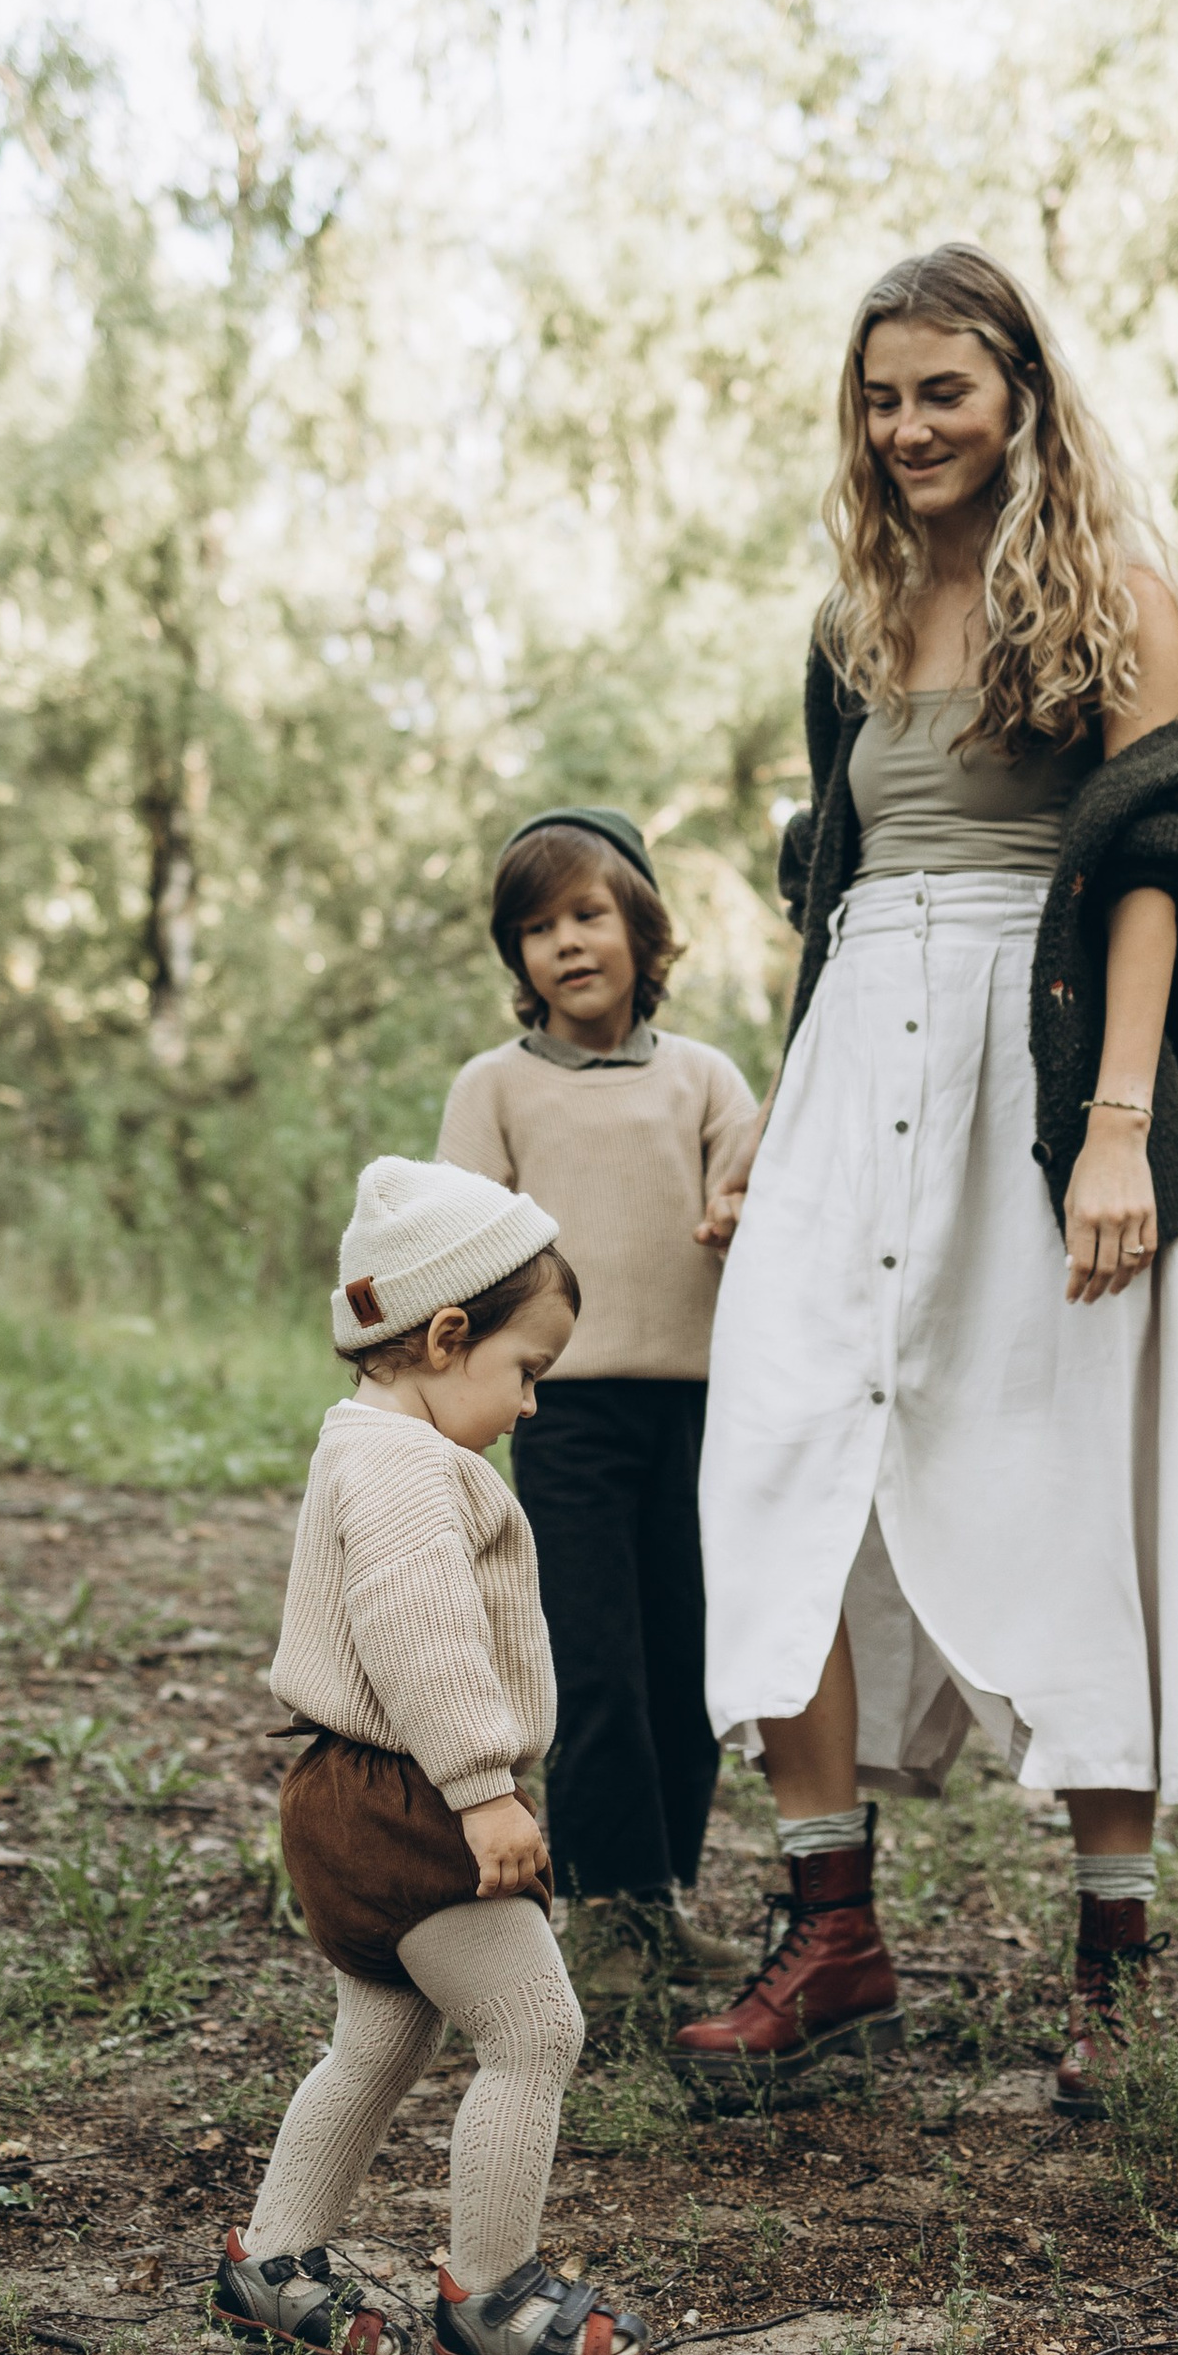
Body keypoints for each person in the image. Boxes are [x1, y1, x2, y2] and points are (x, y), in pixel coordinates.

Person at [674, 242, 1178, 2113]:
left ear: (1020, 394)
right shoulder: (850, 623)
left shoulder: (1120, 603)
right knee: (774, 1439)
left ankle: (1118, 1965)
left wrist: (1115, 1131)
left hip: (1042, 1056)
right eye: (881, 394)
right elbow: (838, 890)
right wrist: (785, 1102)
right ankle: (832, 1929)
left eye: (944, 390)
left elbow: (1161, 861)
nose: (909, 425)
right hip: (857, 1056)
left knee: (1063, 1459)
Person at [214, 1154, 647, 2355]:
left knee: (380, 2040)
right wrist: (484, 1787)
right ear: (447, 1334)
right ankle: (494, 2295)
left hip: (347, 1794)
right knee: (534, 2027)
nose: (530, 1407)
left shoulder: (363, 1442)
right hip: (413, 1800)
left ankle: (274, 2262)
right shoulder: (408, 1468)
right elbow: (421, 1633)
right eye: (526, 1372)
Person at [438, 808, 756, 2002]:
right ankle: (607, 1911)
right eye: (535, 927)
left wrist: (738, 1214)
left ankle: (664, 1895)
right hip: (558, 1411)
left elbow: (751, 1198)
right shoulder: (498, 1088)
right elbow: (462, 1240)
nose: (565, 944)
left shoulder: (704, 1078)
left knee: (687, 1657)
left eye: (586, 914)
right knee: (596, 1657)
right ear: (515, 958)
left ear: (640, 927)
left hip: (701, 1411)